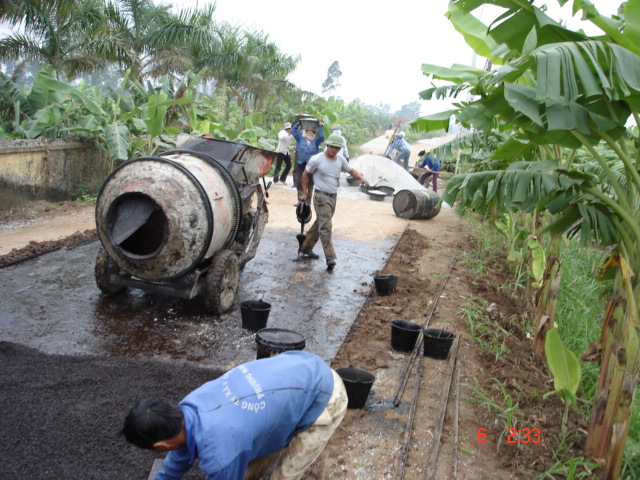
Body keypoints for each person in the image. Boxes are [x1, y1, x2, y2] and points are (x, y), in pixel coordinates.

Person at [122, 351, 348, 480]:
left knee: (284, 476)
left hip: (324, 395)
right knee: (246, 471)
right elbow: (175, 464)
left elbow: (220, 460)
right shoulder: (186, 410)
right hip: (297, 369)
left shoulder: (220, 454)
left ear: (160, 445)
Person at [299, 134, 369, 269]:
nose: (334, 150)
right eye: (332, 147)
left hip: (333, 196)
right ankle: (330, 257)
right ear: (327, 145)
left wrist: (361, 178)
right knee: (326, 227)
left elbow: (351, 171)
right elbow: (305, 174)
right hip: (321, 196)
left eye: (337, 148)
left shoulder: (340, 160)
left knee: (321, 222)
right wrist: (305, 193)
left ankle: (305, 246)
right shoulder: (317, 159)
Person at [291, 119, 325, 204]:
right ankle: (300, 200)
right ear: (305, 133)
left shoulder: (316, 141)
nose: (309, 134)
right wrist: (298, 123)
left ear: (314, 134)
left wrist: (320, 126)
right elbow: (293, 131)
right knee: (299, 181)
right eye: (308, 132)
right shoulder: (300, 139)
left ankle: (308, 199)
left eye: (312, 133)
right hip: (301, 163)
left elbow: (322, 136)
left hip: (312, 165)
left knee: (310, 181)